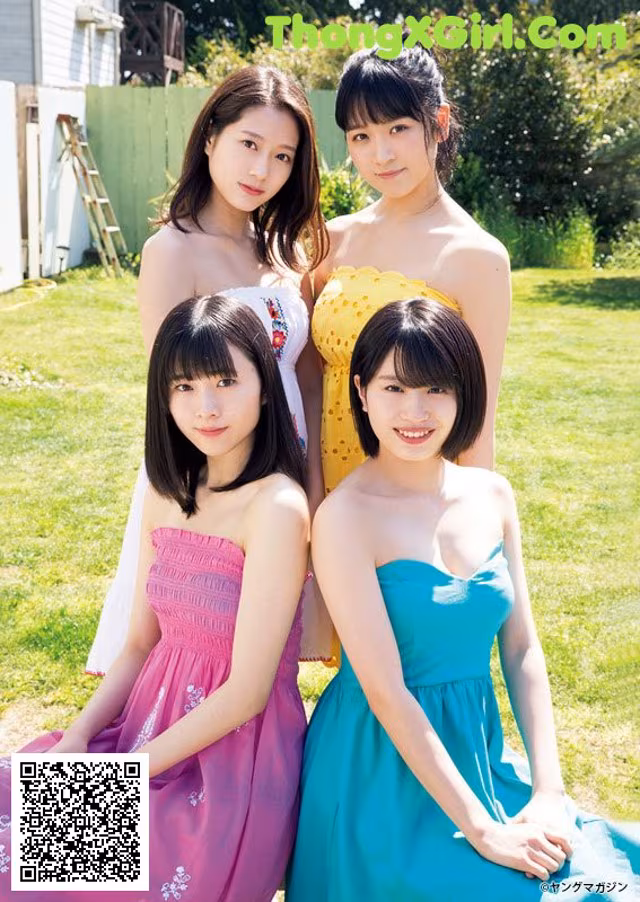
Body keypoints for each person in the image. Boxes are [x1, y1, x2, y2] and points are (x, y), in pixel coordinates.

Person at [286, 299, 639, 901]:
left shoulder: (492, 495)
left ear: (464, 393)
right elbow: (386, 692)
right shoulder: (343, 518)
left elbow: (522, 646)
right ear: (361, 392)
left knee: (603, 881)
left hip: (469, 753)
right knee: (90, 863)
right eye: (394, 387)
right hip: (377, 767)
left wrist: (548, 791)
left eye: (435, 389)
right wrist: (481, 831)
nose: (415, 412)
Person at [0, 295, 310, 902]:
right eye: (185, 387)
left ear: (266, 387)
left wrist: (122, 782)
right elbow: (141, 642)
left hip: (224, 767)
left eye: (226, 380)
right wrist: (78, 738)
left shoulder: (276, 507)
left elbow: (246, 694)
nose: (208, 407)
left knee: (53, 883)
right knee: (13, 830)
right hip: (144, 730)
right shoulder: (166, 492)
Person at [86, 65, 330, 676]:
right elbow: (174, 392)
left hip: (282, 475)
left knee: (263, 666)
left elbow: (304, 381)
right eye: (249, 144)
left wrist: (314, 488)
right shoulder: (173, 250)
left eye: (282, 156)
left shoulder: (285, 254)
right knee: (187, 659)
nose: (261, 171)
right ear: (211, 136)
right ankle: (72, 773)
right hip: (209, 474)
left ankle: (209, 759)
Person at [308, 42, 511, 498]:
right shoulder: (332, 238)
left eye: (397, 128)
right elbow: (308, 385)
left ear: (437, 123)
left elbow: (478, 420)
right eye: (361, 136)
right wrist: (313, 496)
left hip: (416, 503)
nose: (380, 154)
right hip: (328, 490)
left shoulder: (477, 257)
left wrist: (472, 534)